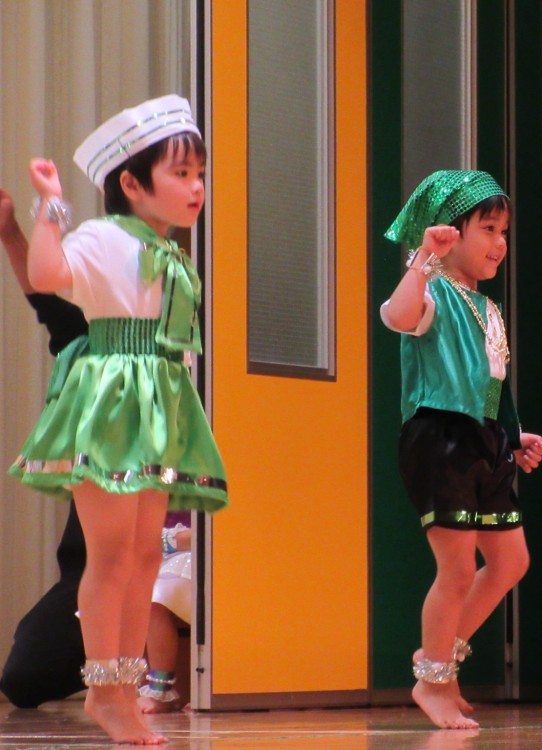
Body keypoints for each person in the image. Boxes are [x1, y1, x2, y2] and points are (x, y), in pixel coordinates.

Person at [8, 95, 228, 745]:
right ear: (131, 184)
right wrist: (50, 206)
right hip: (110, 398)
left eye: (200, 174)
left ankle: (123, 690)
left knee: (143, 556)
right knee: (109, 556)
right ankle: (106, 691)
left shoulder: (170, 251)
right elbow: (47, 273)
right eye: (181, 174)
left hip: (157, 400)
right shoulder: (105, 237)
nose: (196, 187)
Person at [381, 170, 542, 730]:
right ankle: (433, 681)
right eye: (488, 229)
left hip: (485, 439)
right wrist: (422, 260)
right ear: (450, 233)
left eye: (504, 232)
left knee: (511, 561)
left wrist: (513, 437)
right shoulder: (434, 292)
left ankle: (438, 659)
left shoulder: (486, 306)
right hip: (441, 439)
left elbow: (488, 382)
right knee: (456, 569)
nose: (500, 243)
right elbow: (397, 316)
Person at [0, 186, 89, 708]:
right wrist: (12, 231)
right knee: (27, 673)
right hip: (94, 566)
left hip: (175, 554)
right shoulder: (93, 345)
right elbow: (51, 302)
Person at [137, 515, 193, 714]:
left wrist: (168, 540)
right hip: (156, 555)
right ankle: (127, 685)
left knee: (156, 597)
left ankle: (159, 689)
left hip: (197, 555)